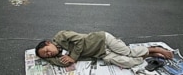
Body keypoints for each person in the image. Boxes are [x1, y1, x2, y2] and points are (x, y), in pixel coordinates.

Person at [35, 30, 174, 68]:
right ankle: (149, 54)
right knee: (129, 63)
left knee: (128, 52)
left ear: (48, 42)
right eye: (47, 55)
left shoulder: (61, 36)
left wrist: (73, 57)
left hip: (103, 39)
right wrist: (51, 59)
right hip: (101, 54)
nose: (49, 53)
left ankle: (155, 49)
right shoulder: (59, 57)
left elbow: (79, 40)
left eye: (47, 50)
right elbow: (64, 63)